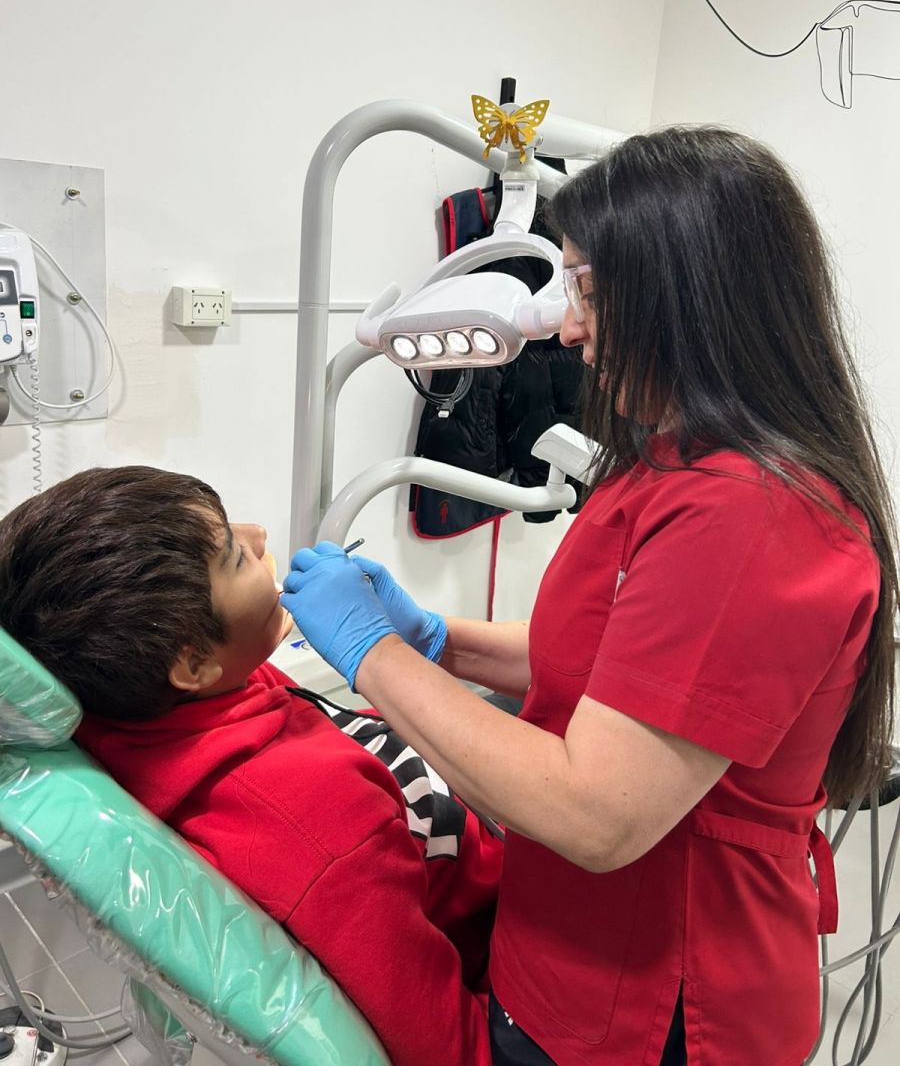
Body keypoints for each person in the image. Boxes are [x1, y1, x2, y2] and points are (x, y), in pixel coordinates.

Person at [279, 126, 899, 1066]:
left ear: (690, 298)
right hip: (566, 956)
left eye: (593, 293)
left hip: (658, 1008)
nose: (569, 329)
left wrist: (376, 654)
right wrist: (440, 639)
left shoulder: (751, 513)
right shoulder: (669, 455)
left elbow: (596, 812)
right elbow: (623, 665)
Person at [0, 466, 502, 1066]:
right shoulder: (324, 828)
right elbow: (450, 1049)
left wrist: (410, 648)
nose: (260, 535)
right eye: (236, 557)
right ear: (192, 663)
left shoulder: (144, 704)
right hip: (501, 931)